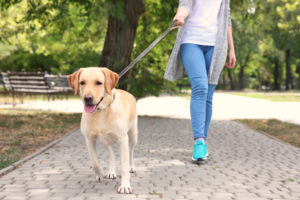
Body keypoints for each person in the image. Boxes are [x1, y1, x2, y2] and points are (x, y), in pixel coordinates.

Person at [164, 0, 236, 161]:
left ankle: (203, 142)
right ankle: (199, 142)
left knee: (208, 96)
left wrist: (232, 48)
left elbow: (226, 17)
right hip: (191, 41)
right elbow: (185, 5)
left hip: (217, 46)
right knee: (200, 87)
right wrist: (180, 16)